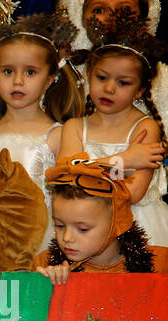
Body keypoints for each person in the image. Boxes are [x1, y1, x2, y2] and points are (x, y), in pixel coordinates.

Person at [57, 15, 168, 246]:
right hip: (82, 228)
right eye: (102, 77)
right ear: (89, 75)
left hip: (137, 228)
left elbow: (134, 193)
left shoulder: (146, 128)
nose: (109, 88)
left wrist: (85, 172)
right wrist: (124, 159)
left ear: (141, 89)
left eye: (123, 82)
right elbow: (66, 180)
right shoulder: (74, 127)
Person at [0, 17, 81, 204]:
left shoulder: (59, 135)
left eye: (30, 72)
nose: (18, 81)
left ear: (49, 79)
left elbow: (67, 199)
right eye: (8, 71)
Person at [34, 156, 168, 281]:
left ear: (117, 223)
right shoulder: (44, 265)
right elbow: (19, 302)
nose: (67, 238)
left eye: (83, 229)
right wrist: (43, 287)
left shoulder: (160, 265)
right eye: (60, 225)